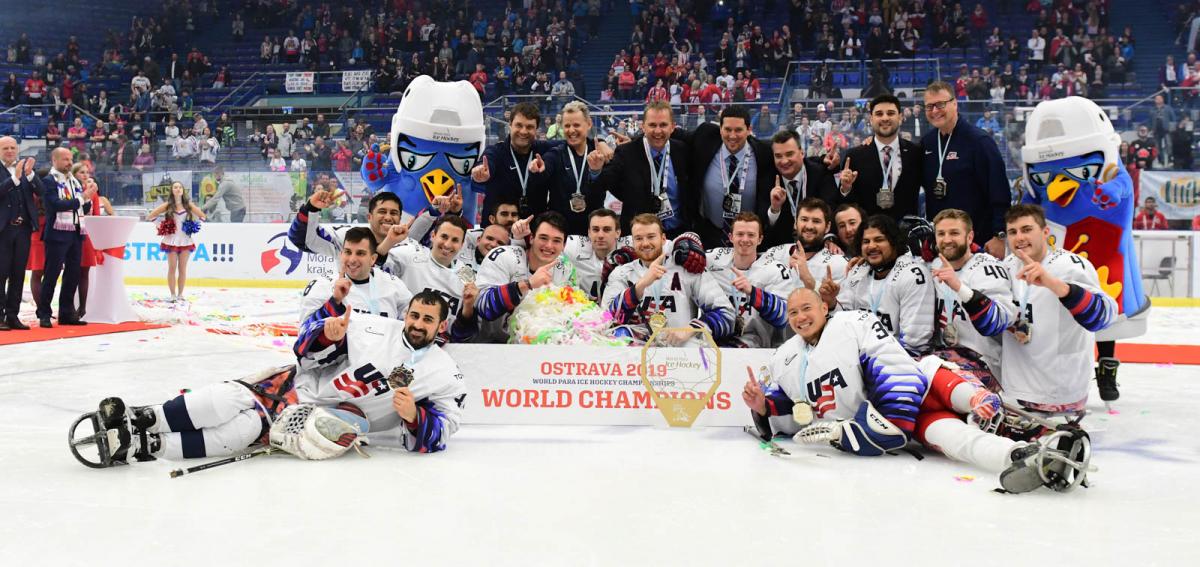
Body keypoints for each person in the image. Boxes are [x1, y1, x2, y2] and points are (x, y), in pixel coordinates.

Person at [743, 288, 1091, 494]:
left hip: (923, 386)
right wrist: (765, 407)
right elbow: (791, 402)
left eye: (807, 308)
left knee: (972, 401)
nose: (801, 317)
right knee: (957, 441)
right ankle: (1023, 456)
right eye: (793, 312)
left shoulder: (851, 324)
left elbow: (897, 377)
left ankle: (1040, 429)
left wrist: (867, 427)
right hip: (910, 423)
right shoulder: (786, 357)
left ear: (823, 308)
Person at [72, 292, 467, 467]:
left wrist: (416, 417)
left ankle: (147, 446)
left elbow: (445, 427)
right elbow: (306, 349)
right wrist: (324, 334)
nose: (417, 324)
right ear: (408, 313)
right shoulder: (371, 327)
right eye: (414, 315)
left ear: (440, 324)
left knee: (243, 430)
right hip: (297, 384)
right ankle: (147, 417)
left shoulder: (441, 371)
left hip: (322, 422)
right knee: (230, 401)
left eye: (427, 319)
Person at [1001, 204, 1116, 413]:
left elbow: (1104, 317)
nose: (1019, 237)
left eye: (1027, 229)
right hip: (1015, 389)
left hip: (1059, 391)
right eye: (1012, 232)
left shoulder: (1071, 265)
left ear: (1045, 232)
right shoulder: (1006, 266)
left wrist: (1055, 285)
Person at [601, 214, 734, 343]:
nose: (645, 243)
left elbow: (727, 315)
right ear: (633, 241)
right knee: (619, 336)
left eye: (651, 237)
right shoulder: (622, 273)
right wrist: (640, 286)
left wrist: (692, 329)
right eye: (639, 238)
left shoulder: (686, 267)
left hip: (681, 351)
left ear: (663, 238)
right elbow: (606, 321)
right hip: (639, 352)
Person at [820, 214, 935, 355]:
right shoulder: (858, 271)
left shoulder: (913, 275)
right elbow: (843, 320)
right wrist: (831, 302)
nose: (872, 246)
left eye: (879, 240)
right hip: (860, 353)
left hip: (902, 359)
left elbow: (915, 344)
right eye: (866, 241)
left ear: (893, 242)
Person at [920, 82, 1010, 256]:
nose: (935, 111)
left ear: (955, 103)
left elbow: (999, 192)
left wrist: (1000, 234)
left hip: (978, 242)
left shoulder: (980, 142)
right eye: (929, 106)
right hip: (942, 243)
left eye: (940, 104)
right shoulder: (927, 143)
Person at [928, 208, 1016, 379]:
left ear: (969, 237)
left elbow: (997, 322)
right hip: (943, 359)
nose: (947, 240)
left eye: (954, 233)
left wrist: (960, 288)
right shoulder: (933, 265)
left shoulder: (988, 268)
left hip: (984, 366)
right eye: (941, 234)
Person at [674, 105, 778, 249]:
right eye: (728, 129)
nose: (732, 136)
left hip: (748, 239)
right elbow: (670, 133)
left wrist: (821, 159)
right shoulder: (706, 139)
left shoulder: (764, 153)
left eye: (738, 130)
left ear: (749, 130)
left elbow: (794, 159)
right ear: (720, 128)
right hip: (710, 234)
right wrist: (633, 141)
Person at [589, 101, 692, 238]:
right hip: (637, 238)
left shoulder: (682, 151)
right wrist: (596, 171)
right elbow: (604, 183)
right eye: (652, 125)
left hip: (677, 235)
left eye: (663, 125)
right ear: (643, 126)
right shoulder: (626, 153)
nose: (657, 131)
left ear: (673, 127)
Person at [474, 211, 576, 343]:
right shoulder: (503, 256)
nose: (549, 246)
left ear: (564, 245)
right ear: (532, 238)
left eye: (557, 241)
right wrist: (527, 284)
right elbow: (484, 307)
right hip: (492, 346)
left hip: (537, 348)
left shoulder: (565, 268)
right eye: (543, 238)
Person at [379, 215, 479, 343]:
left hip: (440, 346)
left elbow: (462, 332)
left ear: (462, 244)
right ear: (433, 236)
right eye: (444, 237)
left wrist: (468, 306)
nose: (447, 244)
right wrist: (389, 241)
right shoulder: (410, 254)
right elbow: (373, 266)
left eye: (455, 240)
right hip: (399, 337)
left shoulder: (467, 274)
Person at [703, 212, 791, 348]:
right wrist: (688, 239)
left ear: (760, 239)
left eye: (751, 235)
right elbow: (685, 249)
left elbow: (785, 317)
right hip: (715, 339)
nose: (745, 239)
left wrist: (753, 293)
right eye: (740, 234)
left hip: (756, 346)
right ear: (731, 237)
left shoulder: (775, 270)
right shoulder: (713, 259)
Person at [839, 94, 924, 221]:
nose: (885, 118)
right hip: (869, 234)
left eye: (890, 113)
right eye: (879, 114)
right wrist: (845, 189)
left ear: (900, 118)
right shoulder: (854, 156)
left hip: (906, 234)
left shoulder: (916, 153)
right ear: (871, 119)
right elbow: (846, 205)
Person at [299, 226, 411, 322]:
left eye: (360, 253)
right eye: (348, 252)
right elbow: (306, 331)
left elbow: (410, 325)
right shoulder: (322, 286)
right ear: (341, 254)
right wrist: (334, 302)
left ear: (373, 259)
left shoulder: (394, 285)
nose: (352, 259)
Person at [37, 147, 96, 327]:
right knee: (51, 274)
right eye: (65, 159)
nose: (69, 162)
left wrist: (88, 200)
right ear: (54, 160)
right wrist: (82, 198)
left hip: (76, 233)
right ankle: (44, 313)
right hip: (56, 233)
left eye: (70, 159)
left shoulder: (74, 182)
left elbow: (80, 209)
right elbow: (55, 205)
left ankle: (66, 313)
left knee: (73, 274)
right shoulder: (48, 181)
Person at [472, 102, 552, 221]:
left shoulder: (544, 150)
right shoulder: (495, 152)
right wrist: (481, 174)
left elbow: (569, 145)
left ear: (536, 130)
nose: (523, 131)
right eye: (519, 125)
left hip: (533, 232)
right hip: (497, 233)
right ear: (510, 125)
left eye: (529, 127)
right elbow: (486, 165)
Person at [542, 101, 611, 235]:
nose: (571, 130)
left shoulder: (601, 153)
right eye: (567, 125)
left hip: (593, 233)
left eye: (576, 125)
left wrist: (596, 173)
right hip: (560, 234)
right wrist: (537, 172)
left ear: (589, 124)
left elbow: (602, 192)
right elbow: (542, 172)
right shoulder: (555, 154)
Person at [763, 129, 840, 247]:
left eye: (789, 154)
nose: (784, 161)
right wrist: (775, 209)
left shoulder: (820, 173)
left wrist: (829, 239)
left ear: (802, 153)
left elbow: (831, 210)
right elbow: (764, 225)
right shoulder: (767, 179)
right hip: (780, 250)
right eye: (778, 156)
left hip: (817, 247)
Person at [761, 197, 849, 292]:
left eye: (816, 221)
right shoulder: (773, 254)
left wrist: (807, 278)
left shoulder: (839, 264)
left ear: (827, 227)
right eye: (804, 219)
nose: (809, 226)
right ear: (795, 223)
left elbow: (843, 306)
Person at [0, 139, 40, 330]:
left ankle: (12, 315)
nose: (9, 151)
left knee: (18, 274)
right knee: (1, 274)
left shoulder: (25, 170)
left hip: (23, 229)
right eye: (5, 148)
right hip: (3, 230)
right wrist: (14, 179)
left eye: (12, 148)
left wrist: (30, 174)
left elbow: (41, 191)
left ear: (17, 150)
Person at [146, 181, 206, 302]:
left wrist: (192, 227)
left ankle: (180, 295)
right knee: (172, 268)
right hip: (170, 241)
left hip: (185, 241)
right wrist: (161, 226)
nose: (178, 189)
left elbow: (203, 217)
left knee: (182, 269)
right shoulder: (168, 205)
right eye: (175, 187)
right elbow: (151, 216)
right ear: (172, 190)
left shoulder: (188, 205)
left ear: (183, 190)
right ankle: (173, 295)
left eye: (180, 187)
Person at [72, 164, 111, 319]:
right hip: (70, 232)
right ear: (75, 174)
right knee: (71, 272)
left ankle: (82, 308)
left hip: (86, 235)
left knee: (84, 272)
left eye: (87, 172)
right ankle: (69, 306)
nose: (85, 175)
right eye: (82, 172)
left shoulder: (93, 194)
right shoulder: (70, 190)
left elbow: (95, 216)